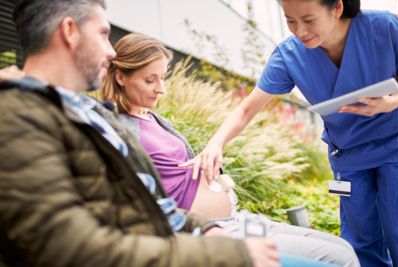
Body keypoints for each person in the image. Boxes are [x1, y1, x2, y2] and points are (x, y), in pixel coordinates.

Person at [0, 1, 284, 267]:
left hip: (183, 244)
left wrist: (203, 227)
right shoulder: (18, 114)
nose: (111, 52)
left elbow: (146, 203)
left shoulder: (92, 113)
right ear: (70, 31)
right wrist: (224, 255)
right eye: (103, 34)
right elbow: (65, 247)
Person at [100, 32, 360, 267]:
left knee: (345, 250)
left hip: (237, 219)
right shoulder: (118, 129)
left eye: (163, 77)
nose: (162, 88)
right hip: (214, 232)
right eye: (150, 80)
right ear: (121, 76)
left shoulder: (156, 120)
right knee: (339, 260)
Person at [181, 0, 398, 266]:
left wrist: (393, 101)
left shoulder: (383, 27)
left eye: (308, 20)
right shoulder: (290, 55)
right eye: (290, 20)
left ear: (337, 8)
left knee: (397, 229)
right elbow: (246, 109)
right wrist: (215, 144)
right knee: (361, 240)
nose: (300, 31)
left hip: (395, 145)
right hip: (349, 156)